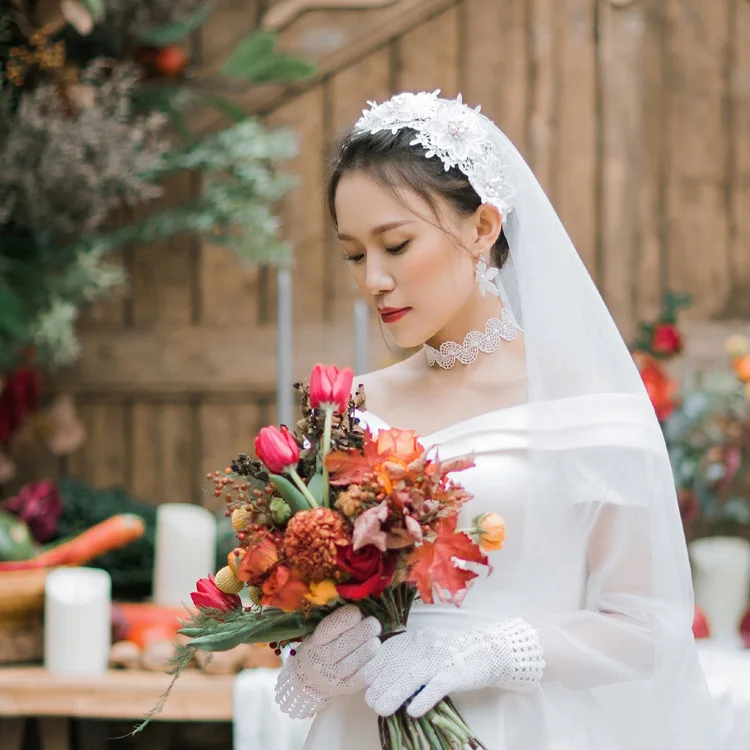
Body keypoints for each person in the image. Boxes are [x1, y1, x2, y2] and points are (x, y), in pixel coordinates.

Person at [273, 91, 718, 749]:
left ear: (483, 228)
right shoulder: (345, 409)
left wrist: (490, 652)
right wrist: (311, 661)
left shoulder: (591, 410)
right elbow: (307, 591)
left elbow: (646, 627)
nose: (373, 279)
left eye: (395, 245)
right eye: (354, 255)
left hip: (518, 728)